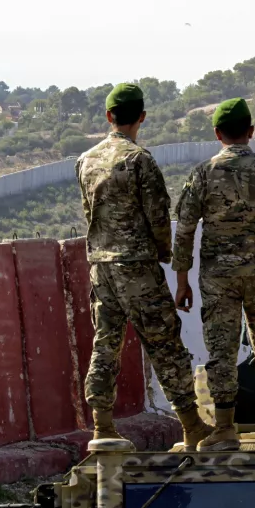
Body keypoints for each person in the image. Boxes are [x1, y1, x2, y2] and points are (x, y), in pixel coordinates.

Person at [76, 83, 210, 450]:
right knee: (164, 343)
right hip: (137, 266)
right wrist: (165, 254)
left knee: (105, 343)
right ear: (142, 117)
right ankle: (192, 424)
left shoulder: (85, 160)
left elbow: (90, 214)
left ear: (108, 116)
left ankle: (102, 426)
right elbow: (156, 214)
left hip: (100, 266)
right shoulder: (139, 160)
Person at [172, 97, 255, 451]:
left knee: (222, 349)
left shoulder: (202, 174)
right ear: (251, 132)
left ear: (217, 134)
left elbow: (183, 230)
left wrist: (182, 281)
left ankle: (226, 427)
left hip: (218, 278)